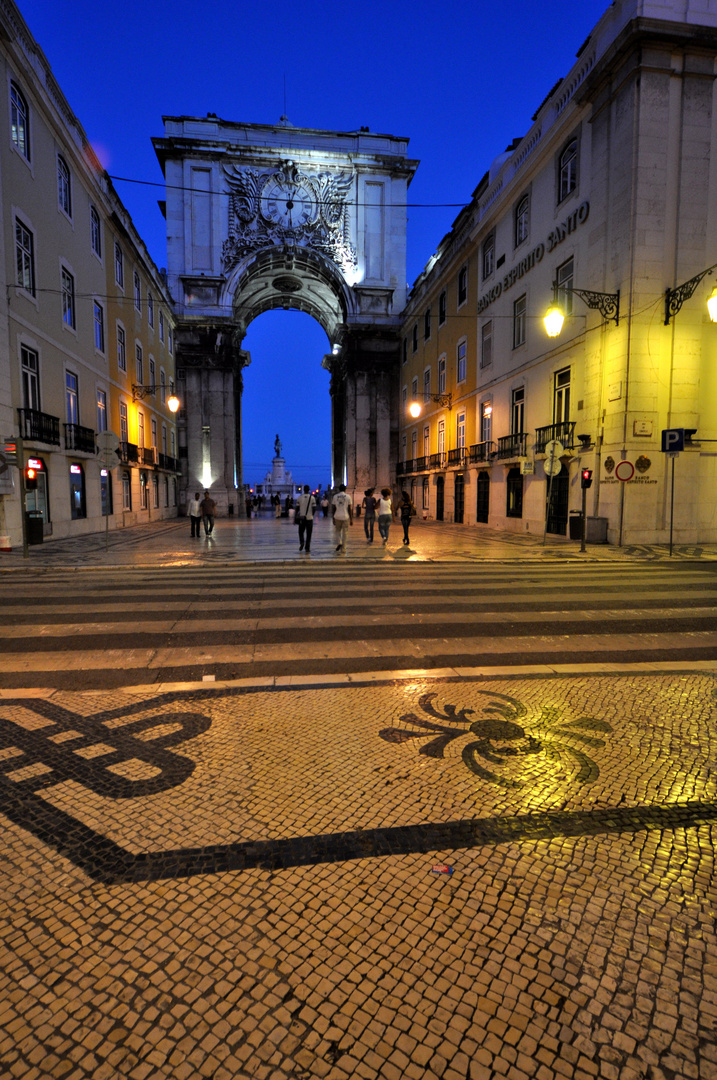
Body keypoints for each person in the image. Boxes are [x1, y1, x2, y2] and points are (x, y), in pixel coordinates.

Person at [332, 483, 353, 552]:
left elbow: (333, 508)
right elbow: (350, 508)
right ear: (345, 489)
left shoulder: (335, 496)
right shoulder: (348, 496)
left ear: (339, 489)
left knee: (337, 531)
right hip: (345, 516)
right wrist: (351, 519)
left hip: (337, 516)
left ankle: (339, 542)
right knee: (345, 532)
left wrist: (333, 518)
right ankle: (343, 548)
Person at [296, 485, 316, 553]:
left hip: (302, 518)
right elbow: (314, 508)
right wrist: (312, 514)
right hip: (309, 518)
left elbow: (297, 508)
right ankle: (307, 548)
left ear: (303, 490)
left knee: (300, 532)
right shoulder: (312, 498)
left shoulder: (300, 497)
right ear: (309, 490)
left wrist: (296, 516)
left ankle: (302, 542)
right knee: (309, 533)